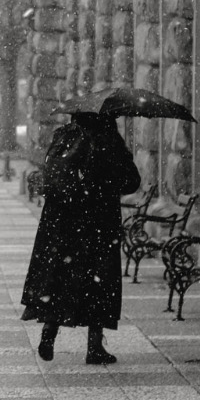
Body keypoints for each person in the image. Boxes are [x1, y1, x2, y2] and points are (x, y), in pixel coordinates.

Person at [20, 110, 142, 364]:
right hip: (99, 225)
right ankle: (94, 347)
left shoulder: (64, 138)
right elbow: (131, 182)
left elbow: (51, 177)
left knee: (62, 278)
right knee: (99, 283)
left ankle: (49, 333)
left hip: (63, 225)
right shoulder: (108, 140)